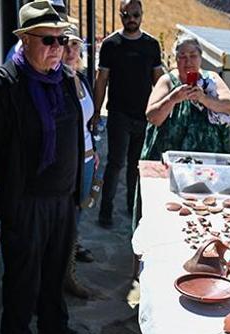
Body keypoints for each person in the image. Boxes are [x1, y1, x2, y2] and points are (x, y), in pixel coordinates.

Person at [0, 1, 92, 334]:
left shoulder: (64, 79)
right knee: (25, 274)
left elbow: (77, 131)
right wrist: (17, 191)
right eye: (47, 39)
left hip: (62, 197)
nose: (57, 47)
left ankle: (54, 326)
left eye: (62, 39)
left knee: (56, 268)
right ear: (24, 39)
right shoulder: (5, 87)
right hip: (26, 200)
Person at [91, 0, 164, 228]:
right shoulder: (111, 44)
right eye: (126, 14)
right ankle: (106, 212)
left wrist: (163, 110)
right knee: (115, 164)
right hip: (118, 114)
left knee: (137, 165)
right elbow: (101, 80)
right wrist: (95, 112)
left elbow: (159, 80)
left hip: (143, 116)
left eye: (135, 14)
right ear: (120, 15)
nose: (131, 18)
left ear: (142, 14)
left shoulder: (151, 45)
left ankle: (134, 210)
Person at [142, 34, 230, 160]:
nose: (188, 61)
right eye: (183, 56)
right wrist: (172, 99)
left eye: (193, 55)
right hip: (170, 158)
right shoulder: (167, 81)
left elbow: (229, 106)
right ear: (176, 59)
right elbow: (152, 117)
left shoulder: (211, 79)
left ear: (200, 58)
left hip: (207, 159)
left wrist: (204, 98)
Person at [62, 24, 98, 297]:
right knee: (66, 217)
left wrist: (94, 149)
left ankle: (68, 267)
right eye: (66, 43)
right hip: (69, 160)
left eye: (76, 44)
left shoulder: (82, 79)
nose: (72, 49)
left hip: (86, 158)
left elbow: (87, 122)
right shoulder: (58, 80)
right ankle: (65, 274)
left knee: (78, 214)